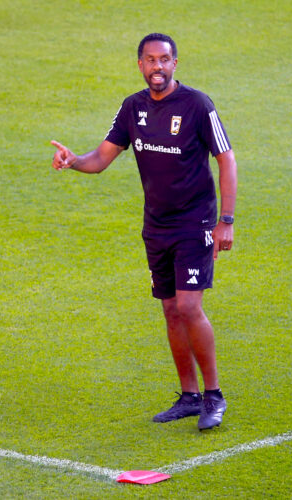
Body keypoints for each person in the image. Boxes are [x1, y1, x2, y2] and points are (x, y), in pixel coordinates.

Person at [50, 33, 237, 430]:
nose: (158, 67)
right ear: (140, 65)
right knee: (170, 309)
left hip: (195, 222)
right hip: (156, 226)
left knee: (189, 307)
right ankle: (188, 397)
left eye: (164, 59)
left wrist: (226, 220)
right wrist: (72, 161)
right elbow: (101, 158)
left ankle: (214, 395)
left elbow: (226, 159)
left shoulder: (197, 105)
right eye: (150, 60)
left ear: (175, 64)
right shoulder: (132, 108)